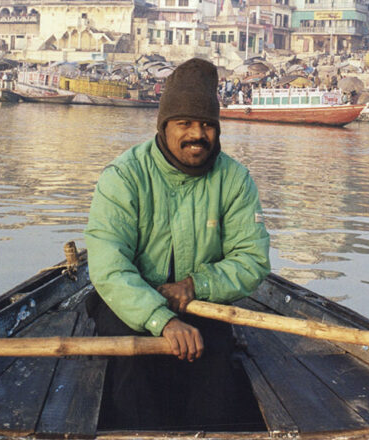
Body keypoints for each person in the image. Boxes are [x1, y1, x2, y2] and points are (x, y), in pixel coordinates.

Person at [85, 58, 270, 431]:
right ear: (164, 127)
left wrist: (195, 287)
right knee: (133, 377)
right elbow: (108, 266)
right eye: (185, 123)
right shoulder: (124, 175)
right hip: (131, 303)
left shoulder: (234, 179)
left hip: (205, 305)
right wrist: (162, 320)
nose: (196, 134)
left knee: (217, 385)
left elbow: (251, 260)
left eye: (206, 125)